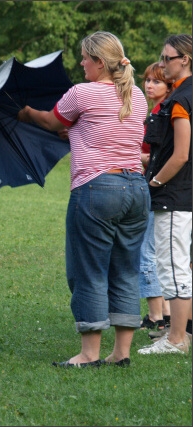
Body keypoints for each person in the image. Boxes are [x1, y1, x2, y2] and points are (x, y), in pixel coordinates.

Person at [18, 31, 149, 367]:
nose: (81, 64)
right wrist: (75, 131)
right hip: (136, 187)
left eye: (85, 58)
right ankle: (121, 353)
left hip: (97, 188)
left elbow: (50, 120)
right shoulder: (137, 95)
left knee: (88, 269)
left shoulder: (82, 92)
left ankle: (89, 354)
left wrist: (28, 112)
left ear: (99, 62)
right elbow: (109, 130)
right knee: (126, 269)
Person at [138, 34, 192, 355]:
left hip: (174, 196)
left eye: (167, 58)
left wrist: (154, 182)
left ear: (184, 59)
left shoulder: (181, 100)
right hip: (185, 195)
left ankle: (175, 339)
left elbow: (181, 154)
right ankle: (182, 334)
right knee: (183, 265)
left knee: (173, 267)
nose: (162, 64)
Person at [138, 62, 172, 332]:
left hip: (158, 189)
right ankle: (165, 313)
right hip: (154, 185)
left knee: (147, 253)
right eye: (147, 80)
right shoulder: (155, 110)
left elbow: (163, 156)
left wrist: (141, 159)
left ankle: (156, 316)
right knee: (158, 251)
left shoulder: (166, 112)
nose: (150, 85)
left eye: (156, 81)